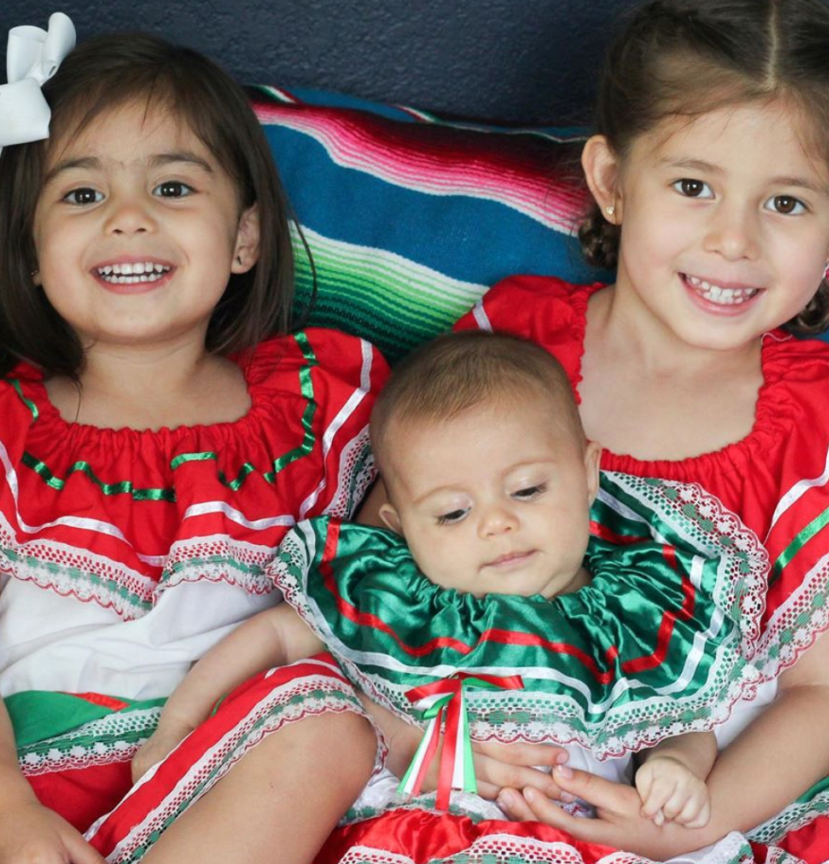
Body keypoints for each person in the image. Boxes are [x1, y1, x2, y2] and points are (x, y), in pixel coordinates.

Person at [326, 0, 829, 864]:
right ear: (612, 180)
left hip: (724, 789)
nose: (734, 241)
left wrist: (702, 817)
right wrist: (432, 744)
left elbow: (825, 695)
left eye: (785, 203)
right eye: (692, 185)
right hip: (495, 761)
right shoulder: (519, 343)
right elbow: (370, 583)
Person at [0, 17, 388, 864]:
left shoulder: (321, 411)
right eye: (82, 194)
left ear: (244, 239)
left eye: (172, 189)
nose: (127, 219)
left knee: (329, 724)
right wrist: (5, 812)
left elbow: (385, 601)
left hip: (224, 782)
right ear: (32, 253)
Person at [136, 331, 770, 839]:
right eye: (452, 513)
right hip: (418, 831)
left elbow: (680, 717)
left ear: (587, 473)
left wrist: (678, 767)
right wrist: (177, 726)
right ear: (400, 526)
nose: (497, 523)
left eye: (526, 490)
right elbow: (275, 635)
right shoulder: (400, 598)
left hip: (576, 841)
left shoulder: (632, 611)